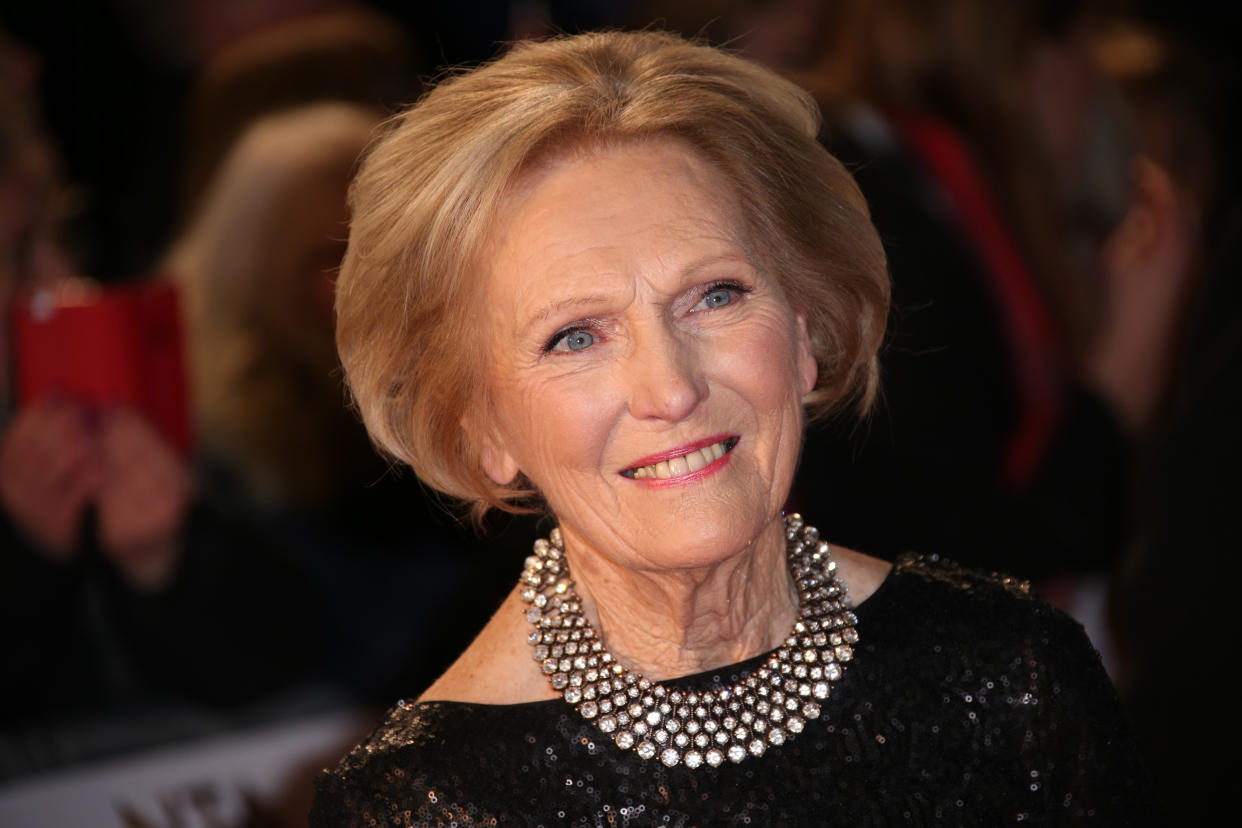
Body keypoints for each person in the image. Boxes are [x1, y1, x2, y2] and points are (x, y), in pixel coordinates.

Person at [310, 31, 1149, 825]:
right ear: (480, 429)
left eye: (715, 296)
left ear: (805, 328)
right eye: (575, 337)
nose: (670, 389)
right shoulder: (423, 804)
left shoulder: (1014, 675)